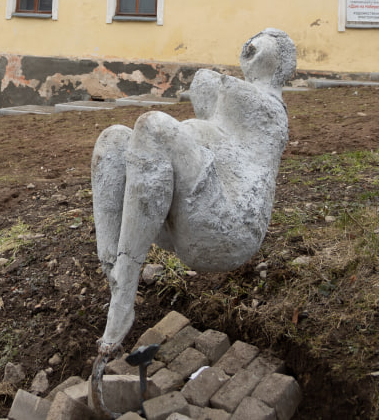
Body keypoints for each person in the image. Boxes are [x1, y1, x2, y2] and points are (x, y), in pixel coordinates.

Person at [90, 28, 297, 355]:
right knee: (113, 140)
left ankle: (125, 294)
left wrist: (222, 80)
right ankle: (112, 268)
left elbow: (219, 88)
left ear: (283, 63)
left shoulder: (270, 108)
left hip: (230, 224)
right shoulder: (226, 96)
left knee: (154, 126)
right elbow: (207, 86)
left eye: (265, 45)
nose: (251, 46)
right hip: (179, 210)